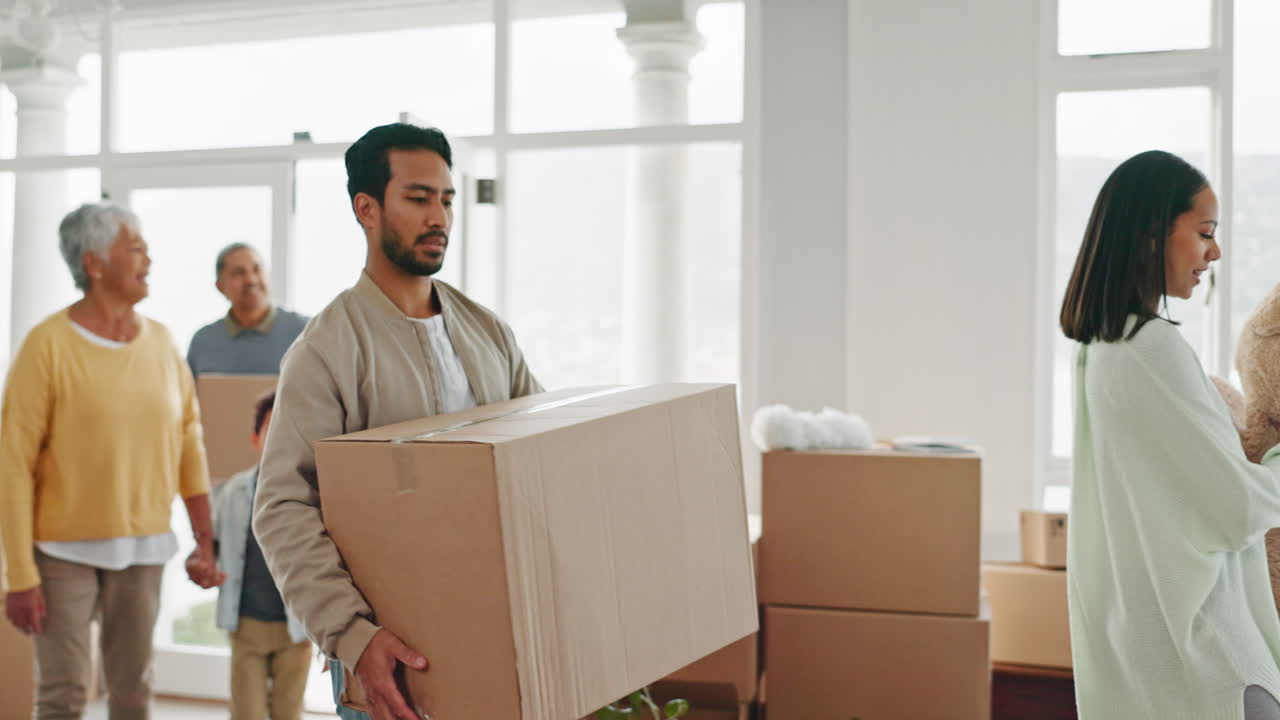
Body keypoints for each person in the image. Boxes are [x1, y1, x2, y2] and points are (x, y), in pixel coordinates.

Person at [252, 122, 543, 720]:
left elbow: (539, 458)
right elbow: (282, 507)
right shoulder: (326, 351)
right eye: (417, 198)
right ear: (368, 208)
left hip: (494, 634)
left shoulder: (489, 333)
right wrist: (354, 637)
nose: (439, 216)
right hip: (391, 659)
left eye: (446, 198)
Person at [1060, 149, 1280, 719]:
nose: (1216, 251)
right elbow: (1235, 506)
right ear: (1154, 234)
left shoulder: (1099, 352)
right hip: (1206, 655)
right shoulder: (1152, 349)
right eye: (1205, 232)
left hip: (1146, 657)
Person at [0, 202, 224, 720]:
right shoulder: (46, 346)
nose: (148, 258)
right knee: (64, 695)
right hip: (60, 553)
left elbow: (190, 443)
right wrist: (19, 575)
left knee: (133, 693)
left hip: (144, 550)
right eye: (135, 247)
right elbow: (13, 464)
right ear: (94, 262)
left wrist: (205, 538)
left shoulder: (164, 344)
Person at [209, 390, 310, 720]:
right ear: (255, 439)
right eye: (271, 429)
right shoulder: (231, 492)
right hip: (246, 623)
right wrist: (201, 562)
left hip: (295, 627)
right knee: (246, 711)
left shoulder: (313, 495)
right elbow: (211, 543)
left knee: (288, 710)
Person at [187, 242, 308, 378]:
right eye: (239, 273)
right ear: (220, 287)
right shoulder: (203, 342)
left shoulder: (305, 332)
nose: (251, 279)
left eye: (257, 269)